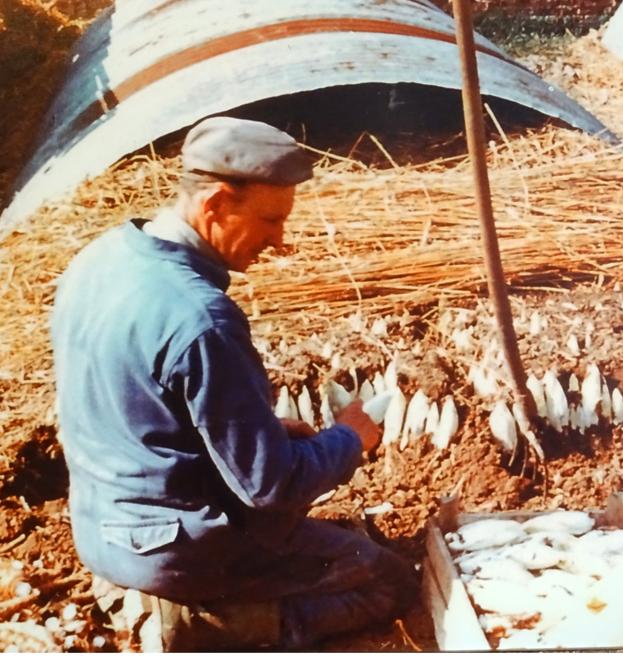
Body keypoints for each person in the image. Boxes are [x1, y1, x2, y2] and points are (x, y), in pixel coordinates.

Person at [50, 117, 416, 650]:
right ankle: (201, 626)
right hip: (174, 551)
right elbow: (271, 489)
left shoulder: (101, 258)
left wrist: (264, 432)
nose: (279, 240)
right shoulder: (201, 316)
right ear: (217, 203)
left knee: (309, 501)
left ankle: (173, 594)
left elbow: (141, 409)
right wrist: (349, 438)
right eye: (270, 220)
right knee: (387, 578)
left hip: (102, 524)